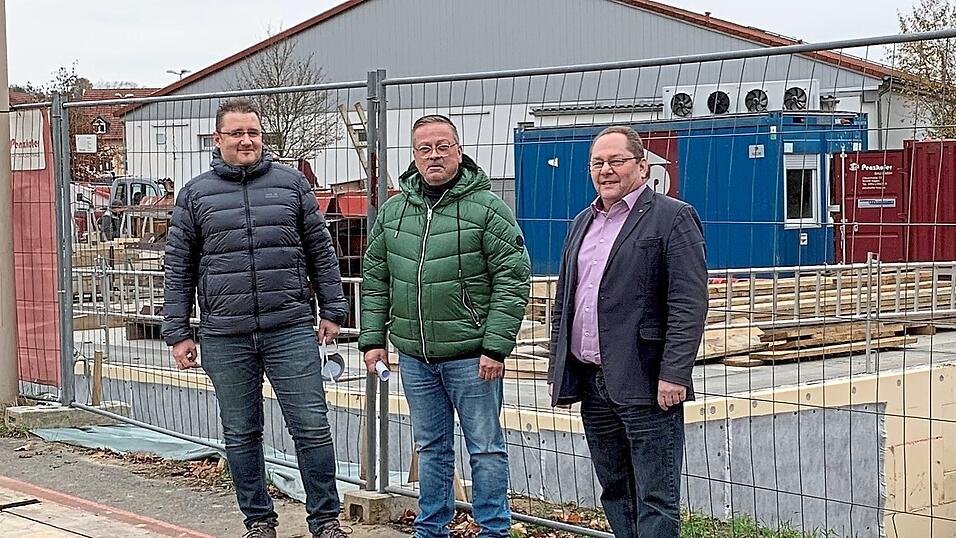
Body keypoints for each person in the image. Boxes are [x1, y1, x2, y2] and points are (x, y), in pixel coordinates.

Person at [161, 98, 349, 538]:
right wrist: (177, 331)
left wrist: (333, 308)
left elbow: (320, 250)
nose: (247, 140)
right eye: (237, 133)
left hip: (290, 328)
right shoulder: (195, 194)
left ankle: (326, 520)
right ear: (217, 139)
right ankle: (259, 521)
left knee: (311, 426)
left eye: (254, 133)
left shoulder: (292, 184)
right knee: (241, 433)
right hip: (226, 334)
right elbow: (179, 266)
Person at [359, 115, 531, 537]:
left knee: (485, 450)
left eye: (442, 146)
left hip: (472, 358)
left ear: (459, 150)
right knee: (431, 448)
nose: (434, 155)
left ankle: (493, 530)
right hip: (415, 358)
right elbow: (376, 278)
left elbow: (512, 279)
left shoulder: (488, 209)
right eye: (425, 148)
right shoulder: (394, 212)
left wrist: (495, 346)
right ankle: (431, 528)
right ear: (414, 155)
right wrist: (373, 340)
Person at [547, 126, 708, 537]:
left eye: (616, 161)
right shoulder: (582, 222)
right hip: (592, 382)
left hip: (646, 379)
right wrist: (558, 368)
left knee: (656, 496)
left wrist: (675, 373)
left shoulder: (672, 217)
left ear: (642, 166)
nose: (606, 170)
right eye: (597, 163)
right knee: (616, 491)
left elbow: (688, 303)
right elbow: (566, 299)